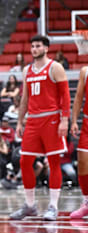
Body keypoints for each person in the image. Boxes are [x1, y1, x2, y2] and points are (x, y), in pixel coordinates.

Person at [10, 35, 69, 221]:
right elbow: (25, 98)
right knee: (24, 161)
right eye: (32, 46)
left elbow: (65, 96)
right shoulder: (27, 70)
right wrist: (20, 121)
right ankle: (30, 206)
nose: (34, 49)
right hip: (33, 121)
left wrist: (64, 120)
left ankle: (53, 206)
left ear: (46, 48)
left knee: (53, 162)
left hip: (51, 119)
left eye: (38, 46)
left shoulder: (55, 67)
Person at [69, 64, 88, 219]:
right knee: (82, 162)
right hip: (87, 123)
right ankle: (86, 201)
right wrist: (74, 120)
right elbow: (79, 98)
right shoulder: (85, 71)